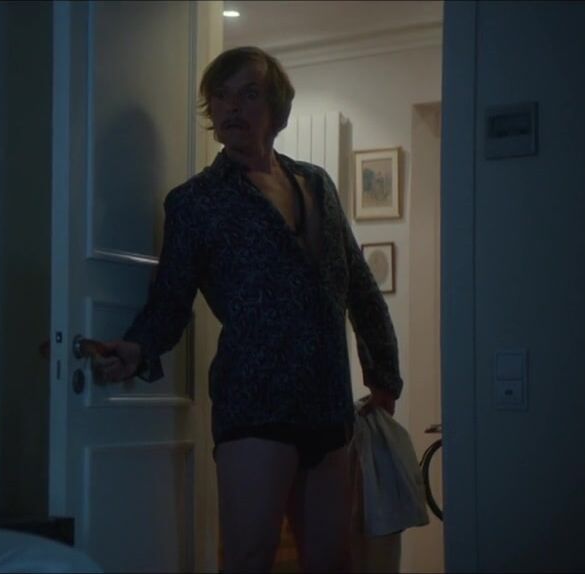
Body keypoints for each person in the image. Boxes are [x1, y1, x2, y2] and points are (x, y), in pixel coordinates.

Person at [92, 46, 404, 573]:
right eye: (221, 95)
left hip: (328, 401)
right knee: (249, 558)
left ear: (277, 110)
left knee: (333, 560)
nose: (232, 106)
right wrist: (137, 348)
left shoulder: (317, 184)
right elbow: (171, 299)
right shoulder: (196, 202)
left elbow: (359, 285)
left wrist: (384, 375)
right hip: (255, 401)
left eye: (249, 93)